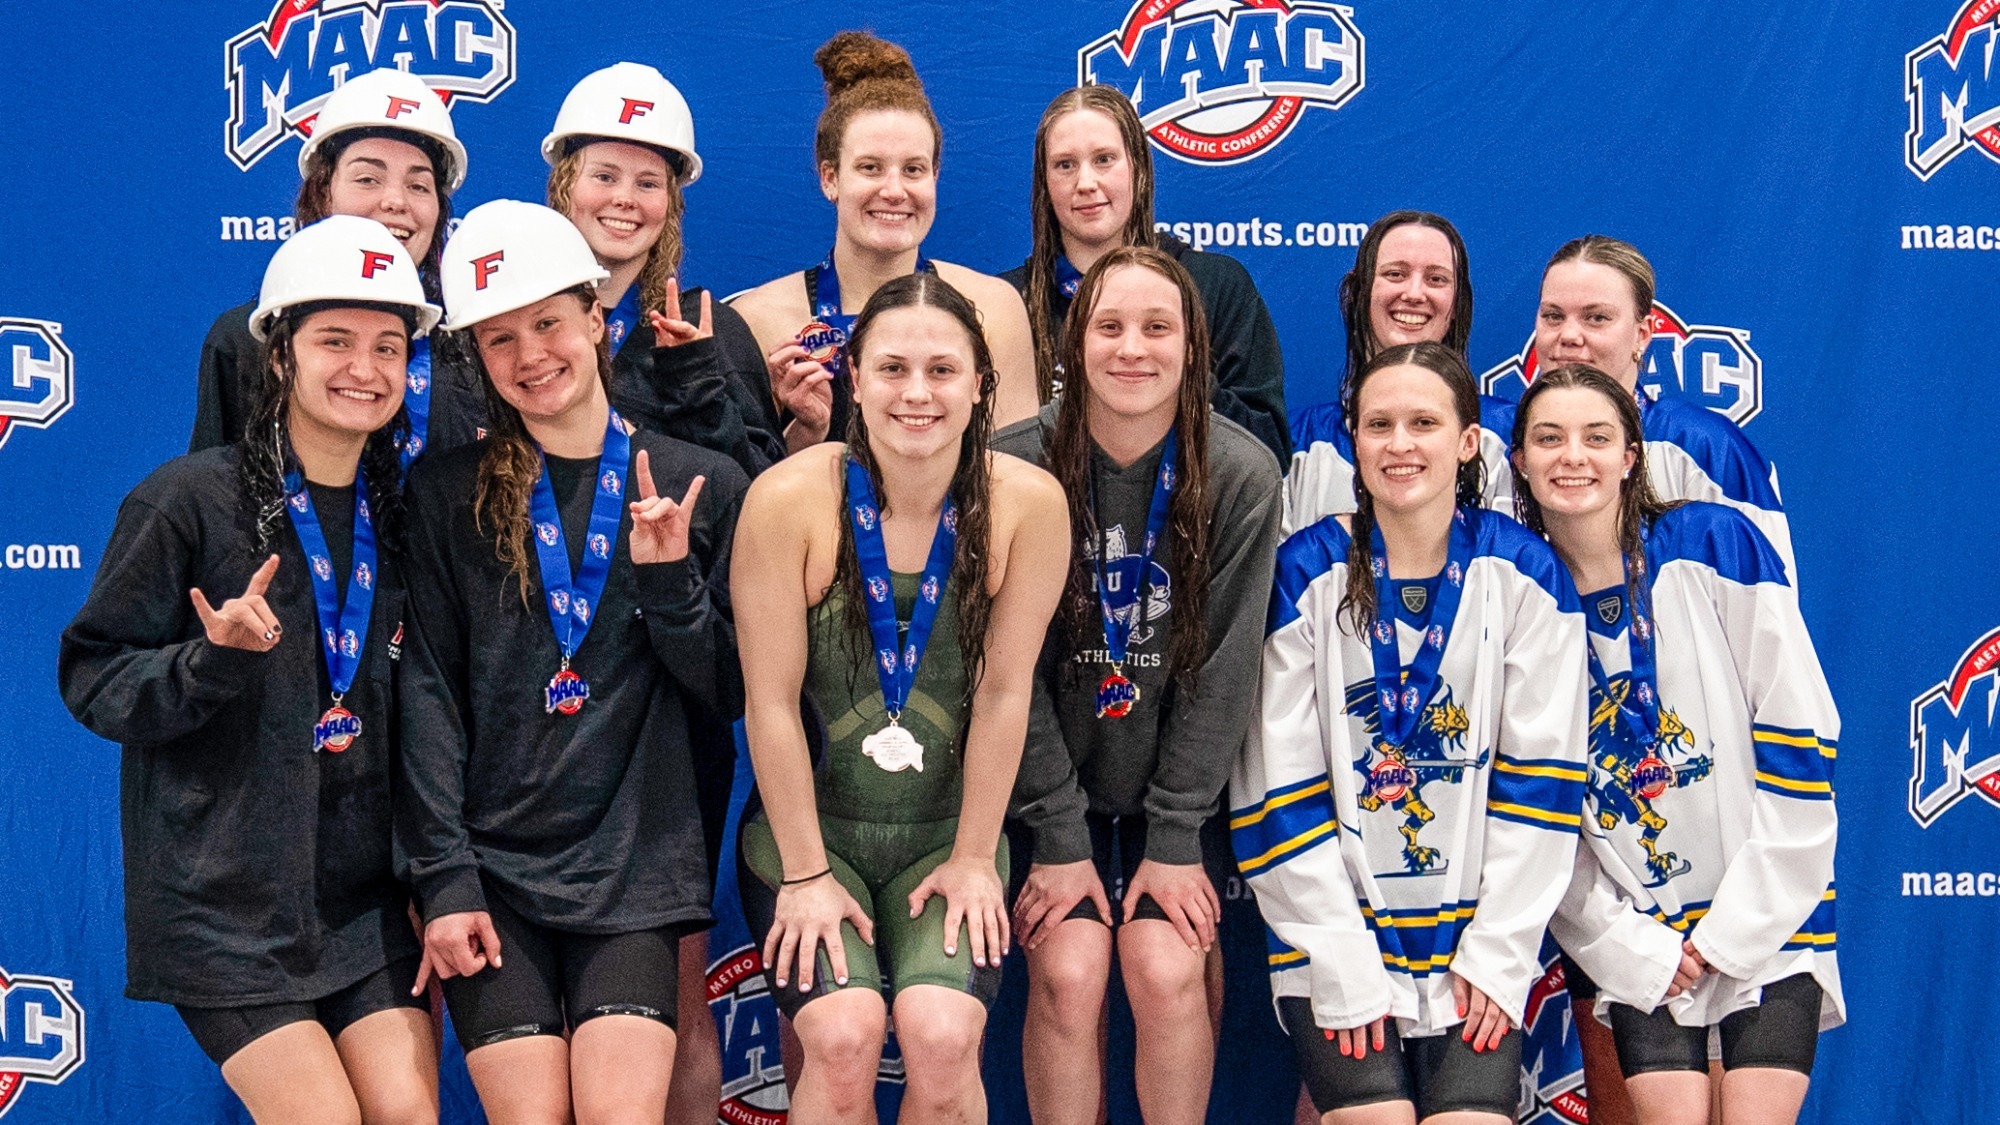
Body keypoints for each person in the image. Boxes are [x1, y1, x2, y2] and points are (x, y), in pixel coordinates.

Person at [61, 216, 441, 1125]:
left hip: (359, 900)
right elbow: (93, 675)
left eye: (389, 346)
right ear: (280, 358)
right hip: (222, 903)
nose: (365, 367)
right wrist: (208, 662)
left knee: (408, 1115)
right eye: (335, 341)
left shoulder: (403, 514)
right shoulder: (185, 498)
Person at [396, 200, 749, 1125]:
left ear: (597, 319)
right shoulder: (443, 497)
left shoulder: (698, 480)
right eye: (500, 338)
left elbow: (733, 690)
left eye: (549, 322)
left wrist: (670, 584)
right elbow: (426, 694)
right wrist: (443, 876)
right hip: (489, 869)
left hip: (633, 868)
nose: (530, 355)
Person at [731, 271, 1067, 1124]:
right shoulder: (786, 499)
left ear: (983, 384)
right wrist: (805, 874)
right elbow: (768, 704)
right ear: (852, 376)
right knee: (843, 1038)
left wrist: (973, 855)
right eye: (891, 369)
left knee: (944, 1035)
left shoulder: (1029, 504)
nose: (917, 393)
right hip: (813, 838)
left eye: (943, 370)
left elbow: (1001, 694)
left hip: (947, 835)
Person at [1232, 341, 1590, 1124]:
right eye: (1379, 424)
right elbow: (1273, 786)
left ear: (1467, 441)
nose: (1399, 443)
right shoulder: (1305, 573)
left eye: (1423, 422)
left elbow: (1545, 782)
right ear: (1352, 441)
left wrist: (1497, 953)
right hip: (1333, 941)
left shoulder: (1524, 574)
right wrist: (1340, 954)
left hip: (1474, 949)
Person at [995, 246, 1282, 1125]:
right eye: (1110, 326)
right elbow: (1006, 672)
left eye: (1158, 328)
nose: (1133, 348)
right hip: (1048, 786)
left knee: (1165, 966)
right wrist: (1054, 831)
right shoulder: (1010, 465)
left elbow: (1223, 668)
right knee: (1071, 969)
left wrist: (1175, 832)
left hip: (1179, 794)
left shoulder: (1240, 474)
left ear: (1193, 347)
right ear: (1073, 343)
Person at [1510, 365, 1842, 1125]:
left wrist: (1738, 926)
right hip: (1643, 930)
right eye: (1548, 438)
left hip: (1767, 908)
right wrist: (1627, 942)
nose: (1573, 456)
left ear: (1633, 454)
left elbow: (1802, 732)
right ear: (1519, 460)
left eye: (1597, 437)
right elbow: (1535, 816)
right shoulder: (1521, 598)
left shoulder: (1713, 541)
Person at [730, 30, 1039, 453]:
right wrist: (807, 429)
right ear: (830, 178)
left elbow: (1014, 486)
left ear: (935, 176)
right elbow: (749, 502)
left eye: (913, 170)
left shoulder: (992, 312)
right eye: (871, 168)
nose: (894, 190)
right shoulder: (757, 322)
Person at [193, 67, 484, 463]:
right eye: (367, 179)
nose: (395, 202)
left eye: (418, 185)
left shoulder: (476, 334)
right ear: (322, 193)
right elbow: (214, 498)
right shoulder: (248, 339)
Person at [1003, 85, 1290, 462]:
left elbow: (1268, 451)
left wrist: (1181, 376)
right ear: (1044, 182)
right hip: (1046, 517)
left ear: (1137, 168)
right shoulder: (1007, 302)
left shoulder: (1215, 286)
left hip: (1189, 518)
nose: (1086, 183)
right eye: (1065, 165)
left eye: (1104, 159)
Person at [544, 61, 785, 478]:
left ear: (670, 204)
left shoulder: (709, 331)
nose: (624, 198)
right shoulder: (515, 318)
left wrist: (697, 391)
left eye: (648, 183)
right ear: (565, 186)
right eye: (604, 176)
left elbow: (764, 495)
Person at [1533, 235, 1794, 580]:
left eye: (1595, 318)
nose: (1568, 334)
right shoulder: (1506, 444)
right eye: (1553, 316)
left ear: (1642, 335)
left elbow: (1769, 606)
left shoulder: (1706, 448)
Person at [1284, 212, 1516, 535]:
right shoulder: (1297, 444)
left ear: (1456, 303)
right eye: (1395, 274)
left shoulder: (1506, 436)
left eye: (1436, 279)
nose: (1414, 293)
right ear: (1359, 293)